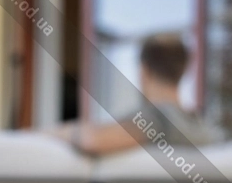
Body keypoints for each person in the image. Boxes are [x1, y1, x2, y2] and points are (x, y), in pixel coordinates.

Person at [48, 33, 214, 155]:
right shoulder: (202, 127)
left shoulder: (157, 119)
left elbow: (92, 140)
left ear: (144, 71)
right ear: (183, 71)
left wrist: (58, 132)